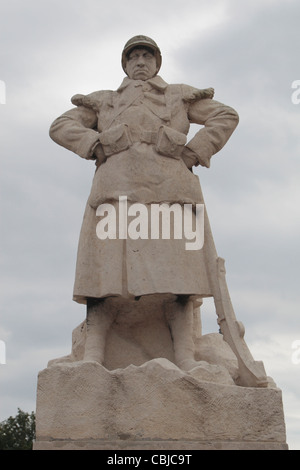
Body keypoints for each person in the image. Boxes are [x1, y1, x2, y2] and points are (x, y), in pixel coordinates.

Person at [49, 35, 239, 370]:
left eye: (147, 56)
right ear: (124, 63)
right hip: (115, 191)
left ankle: (185, 355)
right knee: (103, 275)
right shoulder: (104, 101)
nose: (140, 61)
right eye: (134, 56)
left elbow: (225, 115)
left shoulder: (179, 95)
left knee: (181, 277)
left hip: (170, 189)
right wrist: (96, 143)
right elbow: (61, 125)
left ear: (157, 62)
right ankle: (93, 355)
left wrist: (194, 150)